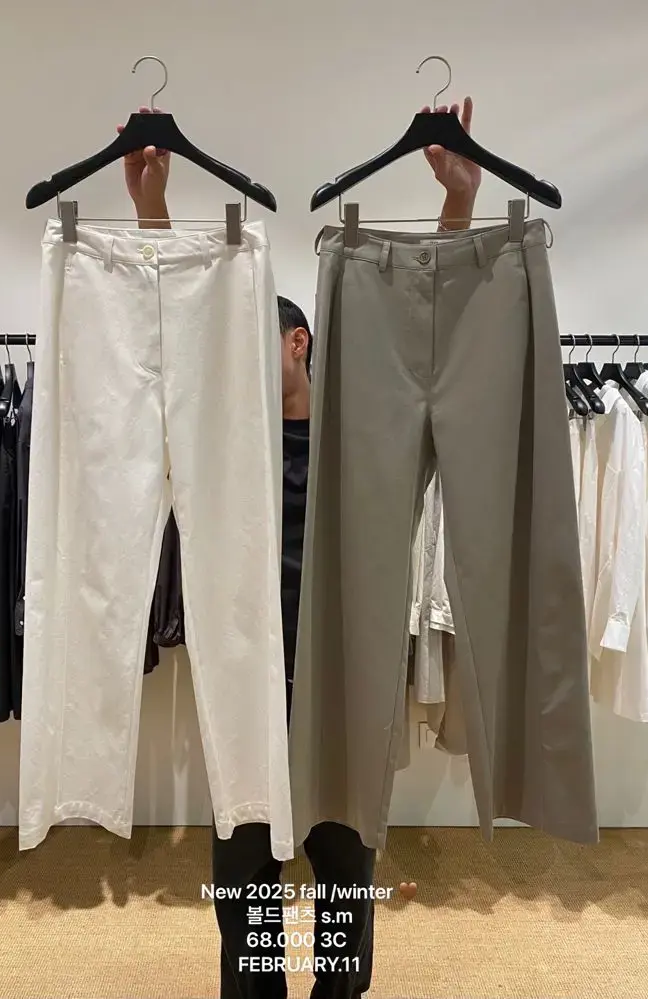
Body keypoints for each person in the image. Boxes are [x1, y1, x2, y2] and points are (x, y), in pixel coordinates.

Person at [122, 99, 481, 999]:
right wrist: (153, 213)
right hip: (249, 691)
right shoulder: (221, 445)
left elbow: (435, 346)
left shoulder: (363, 437)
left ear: (298, 340)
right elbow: (167, 348)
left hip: (341, 688)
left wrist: (458, 208)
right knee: (245, 894)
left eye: (258, 343)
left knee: (344, 890)